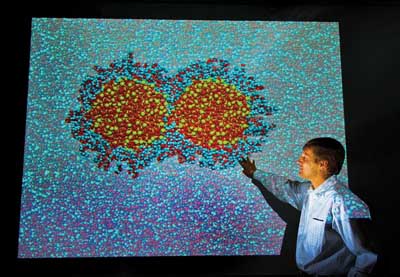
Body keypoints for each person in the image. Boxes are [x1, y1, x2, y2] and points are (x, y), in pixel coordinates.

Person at [239, 137, 377, 277]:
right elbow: (284, 187)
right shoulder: (308, 192)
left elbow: (367, 255)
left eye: (305, 157)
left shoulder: (342, 202)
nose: (299, 160)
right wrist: (255, 173)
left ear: (323, 164)